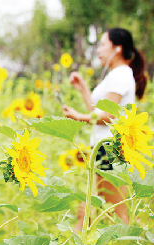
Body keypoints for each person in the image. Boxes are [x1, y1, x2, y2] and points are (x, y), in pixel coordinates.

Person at [62, 28, 147, 231]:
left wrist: (77, 117)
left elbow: (108, 116)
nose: (98, 50)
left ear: (117, 48)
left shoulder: (120, 74)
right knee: (89, 211)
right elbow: (97, 111)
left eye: (102, 44)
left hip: (112, 149)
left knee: (116, 213)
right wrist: (83, 88)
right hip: (104, 148)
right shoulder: (116, 75)